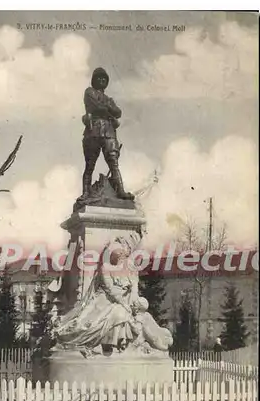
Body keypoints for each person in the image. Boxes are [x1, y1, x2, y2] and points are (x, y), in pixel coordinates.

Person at [53, 234, 173, 357]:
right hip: (104, 301)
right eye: (117, 254)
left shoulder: (130, 271)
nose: (121, 259)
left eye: (122, 255)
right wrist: (123, 302)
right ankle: (107, 345)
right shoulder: (106, 268)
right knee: (90, 322)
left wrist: (131, 301)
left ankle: (125, 344)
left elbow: (134, 291)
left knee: (132, 316)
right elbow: (109, 289)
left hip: (123, 303)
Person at [81, 67, 134, 201]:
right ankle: (86, 193)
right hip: (93, 131)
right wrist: (108, 110)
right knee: (90, 165)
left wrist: (106, 110)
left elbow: (118, 112)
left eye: (104, 78)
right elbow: (96, 107)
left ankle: (120, 190)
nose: (102, 80)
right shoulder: (89, 92)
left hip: (109, 132)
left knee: (113, 163)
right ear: (94, 80)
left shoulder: (109, 99)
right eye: (99, 77)